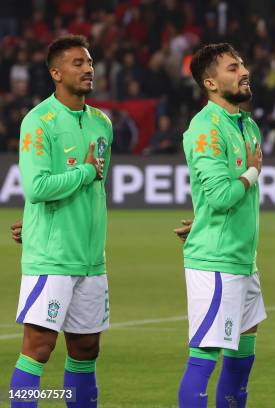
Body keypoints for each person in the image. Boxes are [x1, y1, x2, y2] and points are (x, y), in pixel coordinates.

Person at [9, 34, 111, 407]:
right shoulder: (39, 121)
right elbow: (36, 187)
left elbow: (96, 190)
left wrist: (33, 220)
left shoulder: (102, 122)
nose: (88, 69)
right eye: (78, 63)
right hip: (52, 257)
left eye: (89, 62)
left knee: (86, 349)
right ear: (56, 73)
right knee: (39, 347)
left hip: (91, 257)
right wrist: (83, 172)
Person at [178, 43, 265, 408]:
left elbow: (213, 200)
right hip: (215, 262)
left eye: (242, 64)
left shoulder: (246, 124)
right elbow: (221, 196)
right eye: (232, 67)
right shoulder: (205, 128)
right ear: (211, 83)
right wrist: (252, 171)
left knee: (243, 354)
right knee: (205, 356)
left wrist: (202, 219)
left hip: (243, 258)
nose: (243, 71)